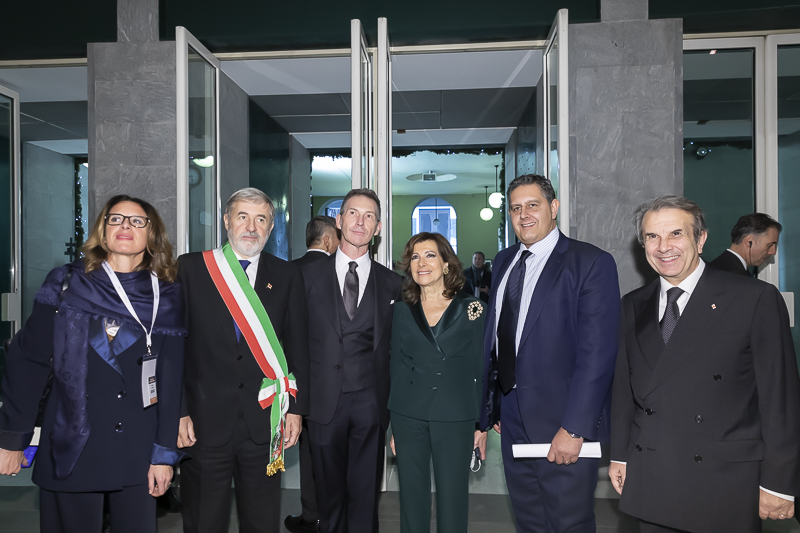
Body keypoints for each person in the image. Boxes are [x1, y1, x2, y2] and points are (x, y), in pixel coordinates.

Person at [609, 196, 800, 532]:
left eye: (676, 234)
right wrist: (620, 455)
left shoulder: (753, 299)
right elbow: (625, 391)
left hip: (723, 481)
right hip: (653, 474)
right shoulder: (632, 305)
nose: (663, 247)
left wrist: (778, 482)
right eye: (652, 237)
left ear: (700, 238)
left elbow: (780, 400)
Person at [0, 195, 186, 532]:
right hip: (71, 442)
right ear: (102, 230)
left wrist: (163, 454)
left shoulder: (168, 294)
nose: (125, 226)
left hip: (137, 449)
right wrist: (12, 439)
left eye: (136, 221)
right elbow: (28, 362)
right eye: (115, 219)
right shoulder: (66, 283)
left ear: (152, 234)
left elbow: (170, 380)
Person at [475, 174, 620, 533]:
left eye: (532, 205)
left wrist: (574, 428)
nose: (523, 215)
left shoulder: (589, 262)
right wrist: (493, 406)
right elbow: (498, 339)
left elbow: (597, 354)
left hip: (563, 423)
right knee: (530, 522)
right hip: (511, 420)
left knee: (567, 523)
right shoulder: (505, 260)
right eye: (515, 208)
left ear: (554, 208)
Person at [177, 188, 309, 533]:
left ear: (271, 227)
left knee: (262, 521)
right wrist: (178, 411)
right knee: (204, 521)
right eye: (242, 217)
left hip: (264, 422)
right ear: (226, 222)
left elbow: (297, 347)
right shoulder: (192, 268)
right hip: (202, 423)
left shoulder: (287, 275)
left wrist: (295, 408)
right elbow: (173, 348)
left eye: (261, 219)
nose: (251, 227)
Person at [302, 188, 402, 533]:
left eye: (369, 216)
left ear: (377, 229)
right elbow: (291, 341)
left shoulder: (395, 285)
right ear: (339, 220)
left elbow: (400, 352)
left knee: (365, 494)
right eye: (353, 213)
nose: (360, 221)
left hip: (371, 405)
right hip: (322, 403)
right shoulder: (304, 277)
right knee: (328, 497)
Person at [388, 232, 485, 533]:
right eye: (415, 257)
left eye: (430, 255)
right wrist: (393, 425)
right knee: (411, 499)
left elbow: (480, 368)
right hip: (408, 415)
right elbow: (397, 367)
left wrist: (480, 424)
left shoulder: (472, 309)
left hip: (454, 415)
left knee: (453, 499)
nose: (421, 263)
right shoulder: (402, 309)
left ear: (446, 264)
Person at [285, 214, 339, 533]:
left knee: (306, 451)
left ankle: (310, 514)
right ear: (329, 240)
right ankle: (331, 516)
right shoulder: (335, 272)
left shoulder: (286, 270)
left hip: (292, 377)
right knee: (329, 453)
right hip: (328, 378)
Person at [709, 212, 782, 276]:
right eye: (770, 245)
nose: (773, 252)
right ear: (749, 242)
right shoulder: (735, 276)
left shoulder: (718, 267)